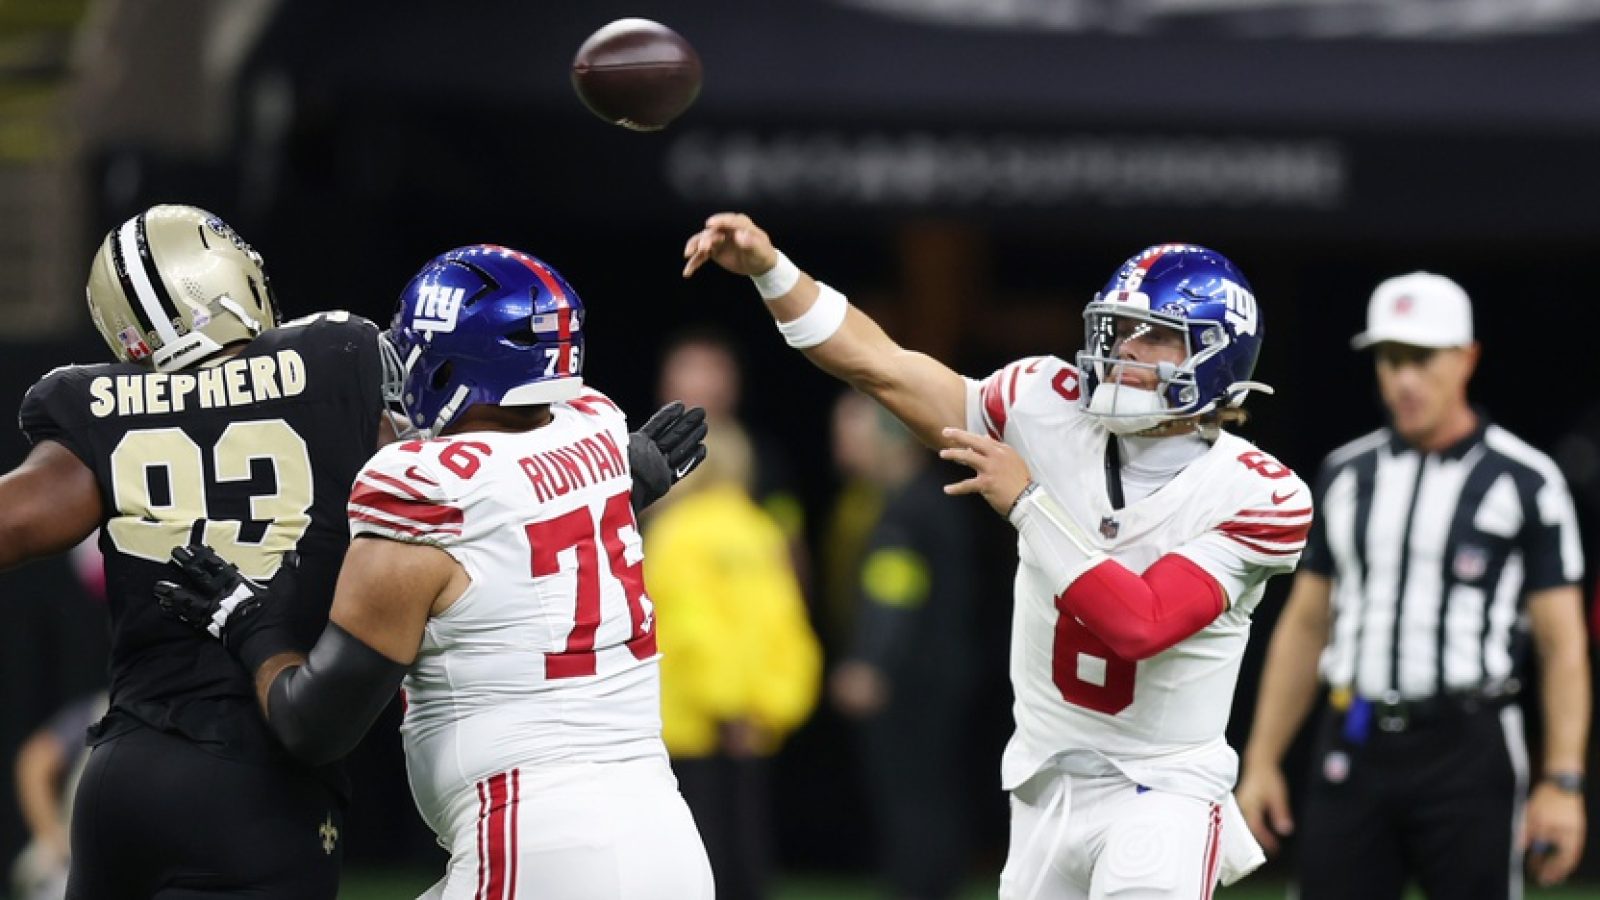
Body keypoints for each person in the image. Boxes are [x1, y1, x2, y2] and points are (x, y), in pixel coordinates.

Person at [0, 207, 696, 900]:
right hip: (263, 782)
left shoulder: (92, 403)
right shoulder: (343, 369)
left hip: (122, 774)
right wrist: (613, 483)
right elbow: (492, 514)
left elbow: (16, 519)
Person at [681, 214, 1309, 898]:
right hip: (1043, 783)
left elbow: (1140, 624)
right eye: (1121, 328)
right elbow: (883, 367)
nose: (1125, 348)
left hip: (1163, 787)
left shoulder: (1256, 493)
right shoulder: (1047, 405)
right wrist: (775, 271)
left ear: (1217, 355)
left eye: (1155, 335)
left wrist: (1028, 503)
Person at [1234, 271, 1590, 898]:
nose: (1403, 379)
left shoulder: (1525, 481)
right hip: (1355, 734)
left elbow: (1562, 646)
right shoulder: (1346, 474)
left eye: (1422, 359)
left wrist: (1562, 782)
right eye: (1390, 359)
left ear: (1467, 358)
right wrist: (1261, 760)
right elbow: (1307, 625)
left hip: (1468, 744)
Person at [643, 421, 822, 900]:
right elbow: (786, 627)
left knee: (698, 858)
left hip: (692, 721)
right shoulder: (762, 532)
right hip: (753, 724)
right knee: (747, 851)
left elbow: (691, 628)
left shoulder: (676, 534)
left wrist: (723, 705)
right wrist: (768, 708)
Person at [827, 391, 978, 900]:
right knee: (929, 794)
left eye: (850, 433)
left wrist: (871, 665)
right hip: (940, 673)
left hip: (914, 682)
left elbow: (895, 596)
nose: (841, 444)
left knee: (912, 799)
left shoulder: (906, 511)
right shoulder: (924, 498)